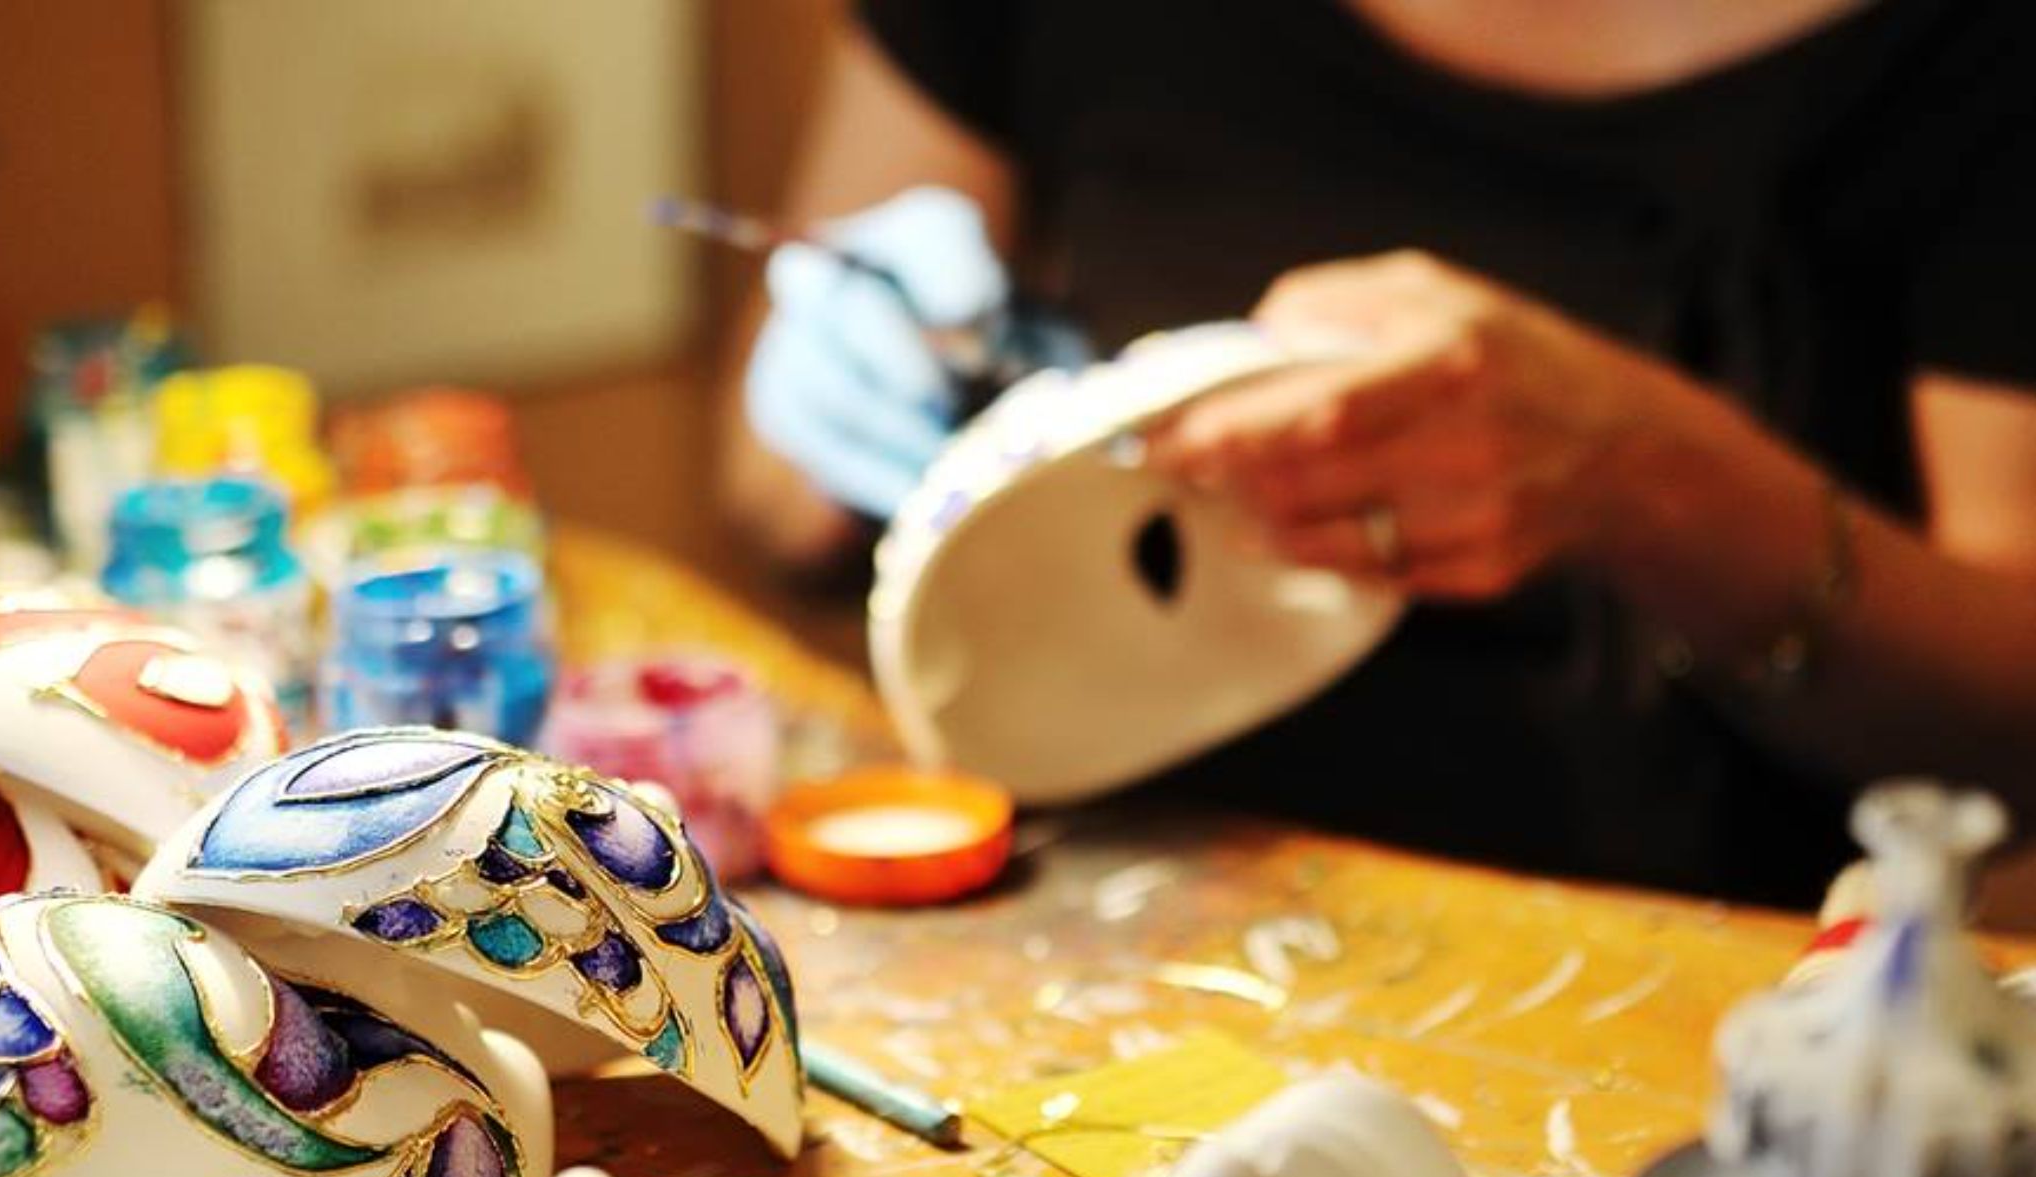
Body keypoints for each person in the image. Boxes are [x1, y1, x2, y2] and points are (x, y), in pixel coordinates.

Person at [725, 0, 2036, 905]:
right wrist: (845, 395)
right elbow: (766, 500)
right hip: (1104, 914)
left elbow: (2011, 725)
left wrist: (1655, 482)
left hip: (1666, 1020)